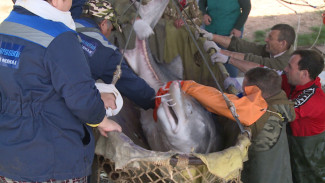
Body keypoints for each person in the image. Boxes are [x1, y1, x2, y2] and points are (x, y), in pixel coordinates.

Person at [0, 0, 121, 182]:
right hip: (53, 162)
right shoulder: (60, 37)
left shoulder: (6, 27)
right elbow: (83, 101)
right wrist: (101, 120)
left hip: (9, 158)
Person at [74, 0, 156, 110]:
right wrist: (155, 100)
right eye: (111, 29)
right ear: (103, 24)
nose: (109, 33)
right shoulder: (106, 52)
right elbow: (131, 84)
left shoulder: (64, 20)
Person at [240, 67, 295, 183]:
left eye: (245, 91)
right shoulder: (280, 104)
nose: (243, 94)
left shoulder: (261, 117)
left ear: (257, 93)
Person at [282, 50, 325, 182]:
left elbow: (280, 113)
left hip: (310, 157)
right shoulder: (293, 82)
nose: (285, 69)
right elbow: (266, 76)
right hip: (295, 148)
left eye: (290, 66)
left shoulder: (313, 99)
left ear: (304, 74)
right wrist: (228, 58)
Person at [199, 23, 296, 72]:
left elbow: (256, 62)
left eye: (270, 38)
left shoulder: (286, 62)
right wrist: (212, 36)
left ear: (282, 43)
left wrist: (222, 53)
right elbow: (245, 46)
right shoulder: (272, 49)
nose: (266, 39)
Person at [198, 0, 251, 77]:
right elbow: (202, 2)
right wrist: (204, 14)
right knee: (211, 62)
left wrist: (238, 27)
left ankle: (232, 85)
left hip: (230, 33)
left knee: (230, 64)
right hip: (211, 31)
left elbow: (247, 8)